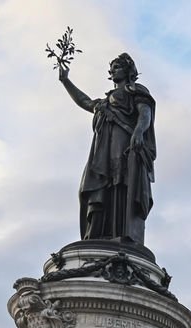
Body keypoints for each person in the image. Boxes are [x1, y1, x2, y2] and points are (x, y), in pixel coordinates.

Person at [57, 53, 157, 244]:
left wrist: (138, 132)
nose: (113, 70)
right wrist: (65, 81)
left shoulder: (135, 90)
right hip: (102, 151)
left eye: (118, 66)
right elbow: (85, 101)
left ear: (129, 71)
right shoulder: (104, 102)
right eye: (112, 68)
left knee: (121, 182)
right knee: (99, 187)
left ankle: (121, 232)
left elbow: (145, 114)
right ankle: (98, 233)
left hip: (123, 143)